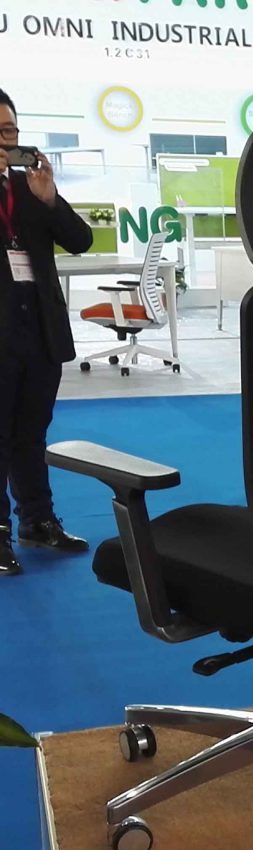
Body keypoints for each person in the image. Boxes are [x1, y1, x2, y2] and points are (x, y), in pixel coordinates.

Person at [0, 87, 93, 577]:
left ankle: (37, 521)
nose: (6, 141)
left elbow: (81, 240)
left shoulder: (31, 186)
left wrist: (51, 200)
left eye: (10, 131)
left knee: (31, 433)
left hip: (39, 329)